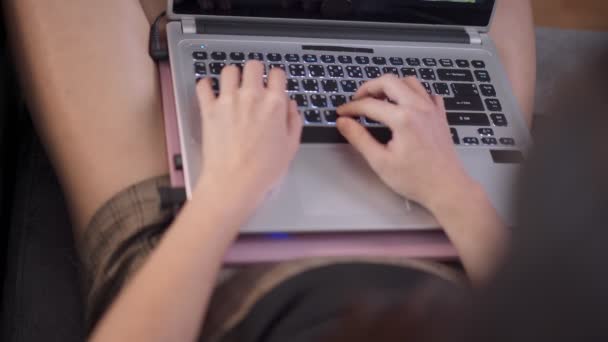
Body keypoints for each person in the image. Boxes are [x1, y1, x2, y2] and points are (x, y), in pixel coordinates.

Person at [3, 0, 537, 340]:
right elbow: (551, 318)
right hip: (452, 264)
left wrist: (225, 192)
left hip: (197, 262)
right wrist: (453, 190)